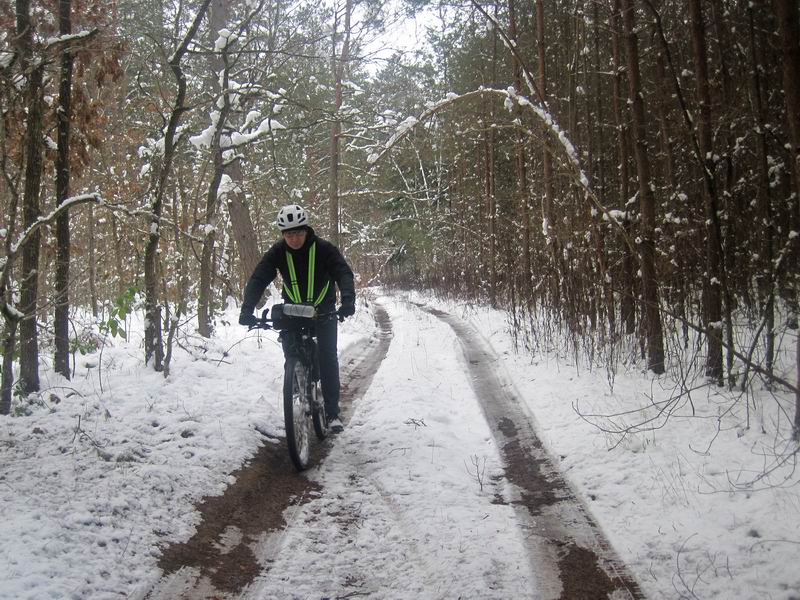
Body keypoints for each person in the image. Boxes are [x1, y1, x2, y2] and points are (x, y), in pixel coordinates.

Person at [239, 204, 355, 433]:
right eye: (289, 234)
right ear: (283, 234)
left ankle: (332, 413)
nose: (294, 239)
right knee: (291, 351)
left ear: (306, 230)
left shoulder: (324, 249)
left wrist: (348, 301)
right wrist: (247, 309)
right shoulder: (277, 252)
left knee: (327, 356)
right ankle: (296, 386)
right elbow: (259, 278)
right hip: (293, 310)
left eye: (298, 233)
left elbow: (343, 272)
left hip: (324, 309)